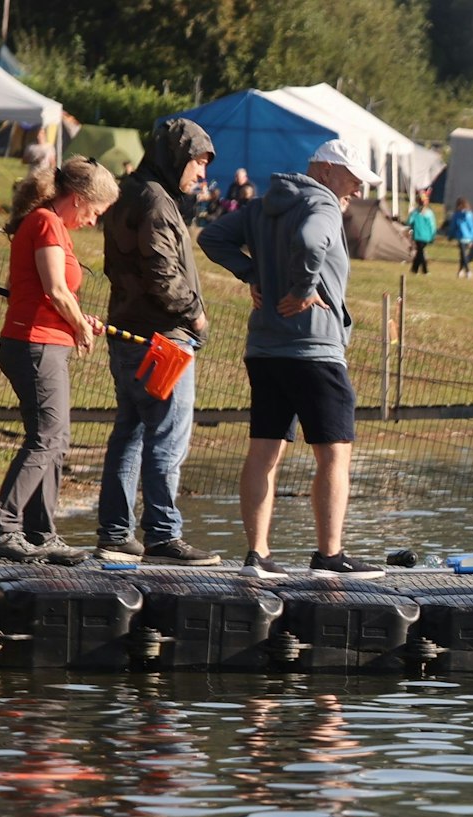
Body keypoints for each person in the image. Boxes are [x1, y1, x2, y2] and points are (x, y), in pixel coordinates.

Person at [199, 138, 385, 580]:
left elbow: (212, 237)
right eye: (354, 178)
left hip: (265, 349)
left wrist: (252, 273)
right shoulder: (322, 205)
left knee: (264, 450)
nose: (357, 190)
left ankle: (258, 556)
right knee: (335, 456)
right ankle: (330, 557)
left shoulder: (264, 205)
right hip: (316, 352)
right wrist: (303, 289)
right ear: (325, 169)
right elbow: (309, 239)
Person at [0, 157, 119, 564]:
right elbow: (57, 289)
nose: (93, 221)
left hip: (44, 341)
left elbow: (54, 293)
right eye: (94, 212)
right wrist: (76, 323)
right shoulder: (46, 223)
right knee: (48, 437)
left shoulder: (53, 226)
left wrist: (76, 318)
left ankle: (41, 533)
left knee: (56, 441)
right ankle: (2, 529)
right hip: (34, 344)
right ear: (77, 199)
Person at [94, 118, 220, 566]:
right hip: (163, 340)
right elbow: (162, 273)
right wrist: (196, 315)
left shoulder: (132, 191)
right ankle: (164, 535)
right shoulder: (155, 201)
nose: (201, 175)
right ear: (176, 157)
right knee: (167, 437)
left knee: (130, 431)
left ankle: (115, 533)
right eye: (198, 163)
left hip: (127, 332)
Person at [447, 196, 473, 278]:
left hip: (464, 237)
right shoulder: (468, 214)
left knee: (463, 255)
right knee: (463, 254)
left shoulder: (460, 215)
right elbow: (472, 228)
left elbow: (454, 226)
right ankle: (461, 271)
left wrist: (472, 239)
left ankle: (467, 270)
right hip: (463, 237)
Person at [407, 189, 435, 275]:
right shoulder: (429, 213)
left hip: (418, 235)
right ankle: (420, 270)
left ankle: (417, 269)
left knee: (420, 252)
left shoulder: (415, 212)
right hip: (426, 236)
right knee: (420, 252)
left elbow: (409, 222)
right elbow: (432, 226)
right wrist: (433, 236)